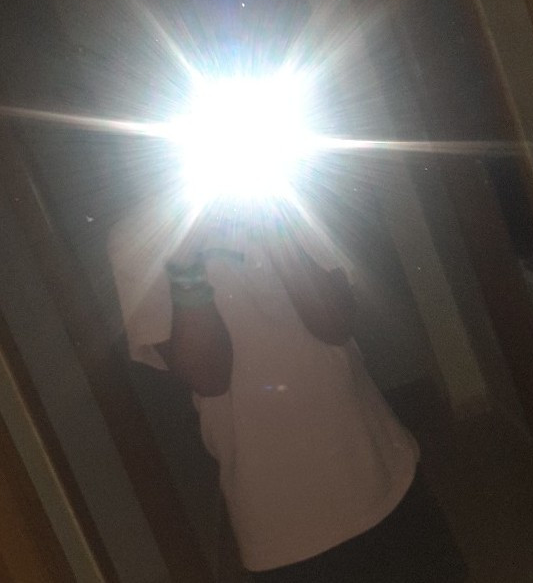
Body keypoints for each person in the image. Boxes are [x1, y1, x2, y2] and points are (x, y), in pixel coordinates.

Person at [108, 196, 468, 582]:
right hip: (278, 518)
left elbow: (335, 322)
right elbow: (209, 377)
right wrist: (186, 260)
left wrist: (275, 222)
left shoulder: (285, 192)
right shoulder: (138, 238)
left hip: (377, 464)